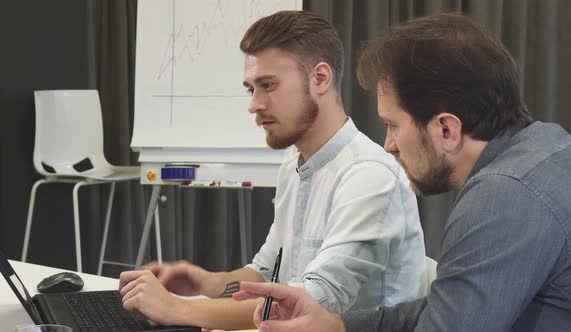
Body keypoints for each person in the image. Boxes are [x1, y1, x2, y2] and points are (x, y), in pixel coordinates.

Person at [231, 13, 571, 332]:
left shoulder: (503, 197)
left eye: (393, 125)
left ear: (446, 129)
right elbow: (447, 307)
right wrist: (337, 324)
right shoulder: (548, 145)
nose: (389, 144)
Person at [118, 10, 427, 330]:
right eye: (251, 89)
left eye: (268, 85)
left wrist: (178, 309)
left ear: (320, 78)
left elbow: (307, 304)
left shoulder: (370, 176)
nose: (254, 104)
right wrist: (209, 284)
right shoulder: (294, 165)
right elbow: (266, 272)